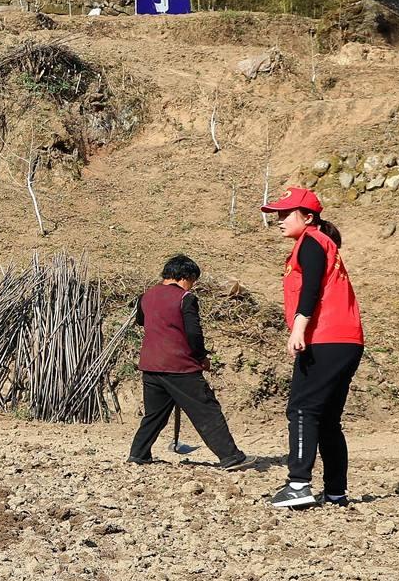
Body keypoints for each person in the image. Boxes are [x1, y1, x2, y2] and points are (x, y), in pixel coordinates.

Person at [261, 187, 364, 509]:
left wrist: (299, 329)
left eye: (285, 214)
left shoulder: (311, 243)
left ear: (308, 217)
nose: (278, 220)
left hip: (326, 337)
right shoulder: (320, 243)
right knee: (328, 419)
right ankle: (336, 491)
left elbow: (310, 290)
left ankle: (298, 485)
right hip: (346, 340)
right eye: (277, 214)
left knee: (303, 409)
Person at [126, 255, 246, 471]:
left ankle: (138, 454)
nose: (193, 285)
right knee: (206, 409)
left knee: (155, 415)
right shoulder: (185, 298)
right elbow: (194, 333)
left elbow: (141, 321)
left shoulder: (145, 297)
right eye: (193, 280)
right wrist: (201, 357)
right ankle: (231, 457)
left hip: (151, 364)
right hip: (179, 365)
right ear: (185, 277)